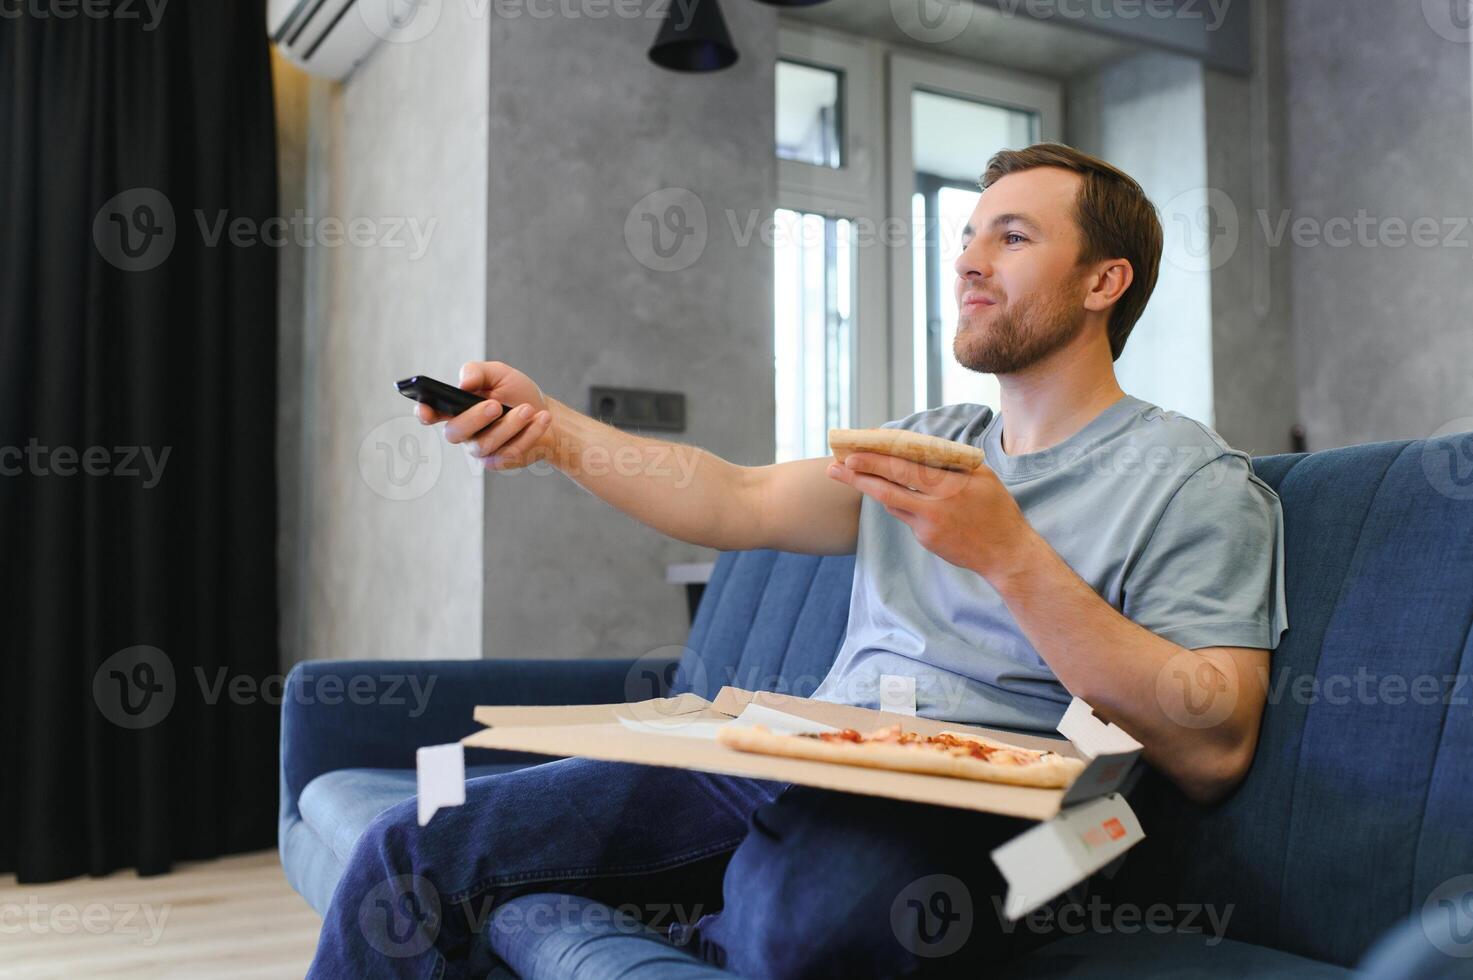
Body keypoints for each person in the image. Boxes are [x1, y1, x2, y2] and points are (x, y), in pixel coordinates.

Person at [306, 143, 1287, 978]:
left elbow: (1214, 745)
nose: (969, 262)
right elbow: (731, 495)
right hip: (803, 763)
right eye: (968, 236)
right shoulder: (928, 441)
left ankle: (710, 912)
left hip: (1020, 815)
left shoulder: (1191, 477)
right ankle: (705, 903)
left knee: (815, 915)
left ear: (1102, 280)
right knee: (417, 838)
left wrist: (1012, 557)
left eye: (1012, 237)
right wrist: (551, 426)